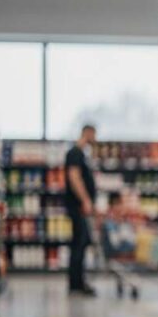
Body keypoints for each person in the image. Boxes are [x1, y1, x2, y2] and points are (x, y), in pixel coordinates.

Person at [65, 124, 98, 296]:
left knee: (81, 243)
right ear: (88, 133)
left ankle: (77, 282)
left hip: (79, 206)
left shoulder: (81, 154)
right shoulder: (75, 153)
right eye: (95, 135)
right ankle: (76, 284)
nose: (96, 139)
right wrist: (85, 200)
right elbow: (74, 177)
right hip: (77, 207)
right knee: (79, 243)